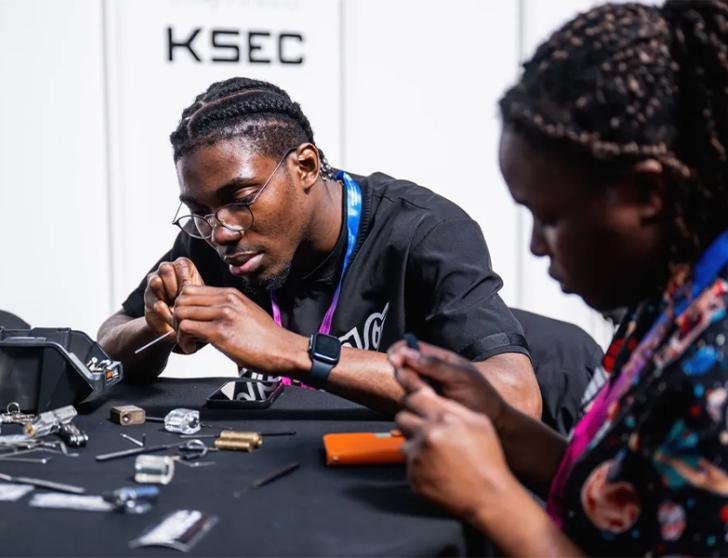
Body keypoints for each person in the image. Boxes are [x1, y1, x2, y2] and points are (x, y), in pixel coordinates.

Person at [389, 1, 728, 555]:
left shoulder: (718, 371)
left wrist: (490, 497)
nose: (534, 245)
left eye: (551, 218)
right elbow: (615, 495)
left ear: (648, 193)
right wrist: (498, 418)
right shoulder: (672, 290)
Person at [97, 77, 539, 416]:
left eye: (241, 198)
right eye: (200, 210)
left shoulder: (422, 231)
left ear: (305, 166)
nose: (220, 232)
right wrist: (155, 328)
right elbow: (108, 342)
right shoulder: (215, 235)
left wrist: (291, 350)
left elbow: (515, 396)